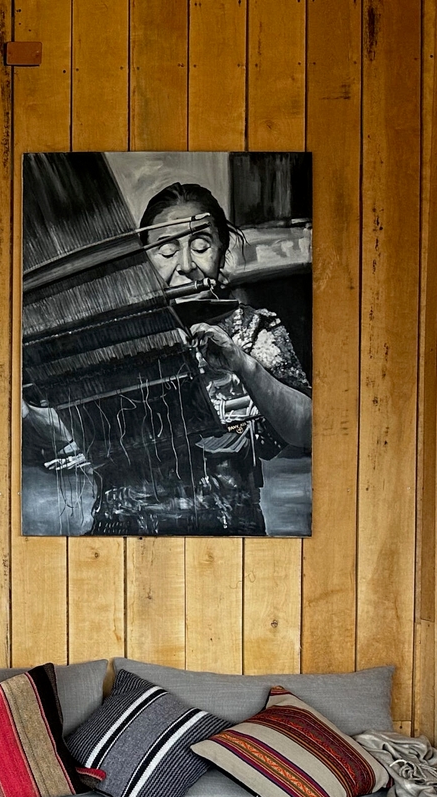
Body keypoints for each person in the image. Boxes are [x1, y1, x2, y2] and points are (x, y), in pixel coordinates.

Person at [138, 182, 312, 535]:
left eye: (201, 247)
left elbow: (306, 429)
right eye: (166, 252)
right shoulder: (116, 339)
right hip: (127, 524)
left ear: (222, 252)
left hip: (227, 524)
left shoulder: (250, 327)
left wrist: (243, 364)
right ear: (142, 259)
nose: (186, 265)